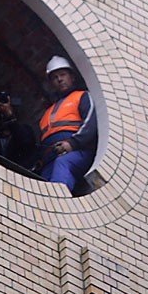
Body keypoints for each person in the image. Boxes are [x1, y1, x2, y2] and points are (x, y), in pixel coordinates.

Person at [36, 56, 97, 195]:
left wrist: (73, 143)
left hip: (78, 150)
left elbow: (90, 123)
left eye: (63, 74)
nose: (59, 79)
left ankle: (58, 204)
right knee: (44, 183)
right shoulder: (47, 112)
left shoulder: (82, 96)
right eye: (55, 77)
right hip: (50, 157)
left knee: (63, 164)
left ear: (72, 77)